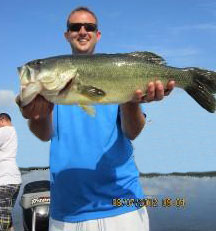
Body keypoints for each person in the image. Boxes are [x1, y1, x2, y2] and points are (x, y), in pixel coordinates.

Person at [18, 6, 175, 231]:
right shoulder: (51, 90)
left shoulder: (119, 70)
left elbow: (132, 132)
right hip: (67, 210)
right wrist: (37, 115)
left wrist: (132, 100)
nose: (82, 31)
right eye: (75, 27)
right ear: (67, 35)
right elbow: (43, 134)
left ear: (97, 34)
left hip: (123, 205)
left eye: (89, 27)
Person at [0, 113, 21, 231]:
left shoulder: (6, 131)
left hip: (6, 181)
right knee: (6, 215)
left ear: (2, 120)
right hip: (12, 180)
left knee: (3, 217)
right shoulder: (11, 133)